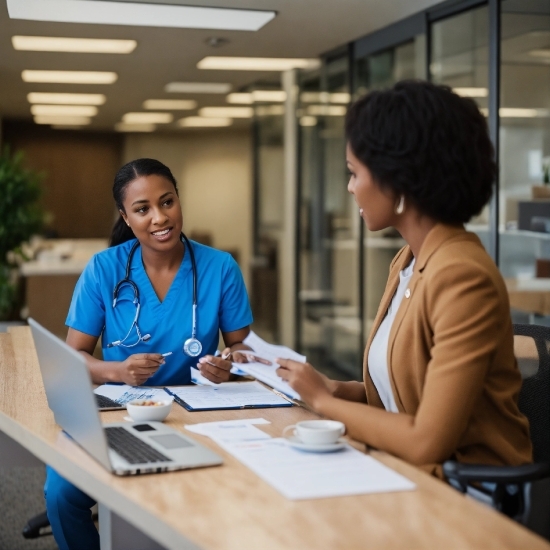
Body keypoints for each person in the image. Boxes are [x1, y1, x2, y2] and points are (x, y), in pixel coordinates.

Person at [277, 80, 532, 477]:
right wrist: (333, 390)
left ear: (396, 178)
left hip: (468, 493)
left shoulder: (462, 276)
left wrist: (325, 405)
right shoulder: (408, 260)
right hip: (404, 470)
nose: (350, 188)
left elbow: (426, 439)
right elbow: (403, 396)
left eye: (355, 173)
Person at [44, 158, 253, 550]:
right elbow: (73, 358)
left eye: (167, 202)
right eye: (143, 209)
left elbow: (243, 346)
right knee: (61, 495)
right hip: (117, 412)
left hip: (197, 413)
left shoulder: (220, 267)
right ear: (126, 216)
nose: (160, 217)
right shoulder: (103, 269)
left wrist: (230, 363)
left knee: (227, 488)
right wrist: (117, 371)